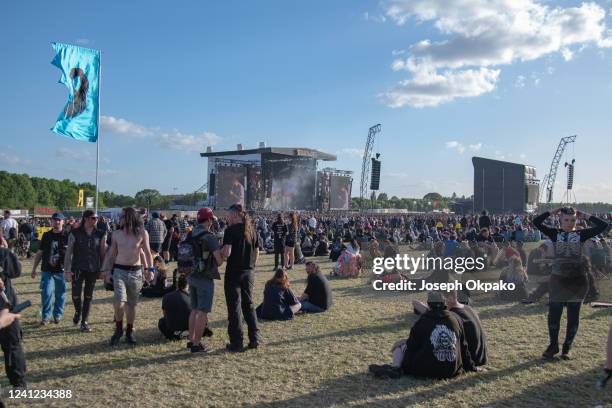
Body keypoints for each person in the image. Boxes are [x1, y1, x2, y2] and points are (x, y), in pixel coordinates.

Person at [533, 207, 608, 359]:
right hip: (558, 279)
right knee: (554, 314)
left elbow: (603, 226)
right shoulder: (555, 233)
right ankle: (553, 346)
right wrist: (552, 212)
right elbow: (536, 222)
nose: (569, 223)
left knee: (573, 315)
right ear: (560, 219)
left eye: (573, 220)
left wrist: (586, 215)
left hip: (578, 280)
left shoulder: (581, 234)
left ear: (577, 220)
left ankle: (566, 348)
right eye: (566, 219)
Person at [369, 291, 475, 379]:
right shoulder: (455, 319)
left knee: (399, 346)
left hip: (427, 370)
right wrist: (470, 366)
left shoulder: (423, 321)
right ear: (444, 303)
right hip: (452, 369)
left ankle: (396, 368)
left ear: (428, 305)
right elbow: (463, 346)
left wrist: (405, 364)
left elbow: (411, 347)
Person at [102, 208, 154, 345]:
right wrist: (106, 270)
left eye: (122, 216)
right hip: (119, 270)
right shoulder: (116, 234)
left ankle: (129, 332)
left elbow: (148, 253)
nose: (120, 218)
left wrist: (150, 269)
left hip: (136, 272)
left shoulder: (142, 233)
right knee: (119, 302)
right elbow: (111, 253)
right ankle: (118, 329)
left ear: (130, 217)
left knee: (132, 305)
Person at [222, 204, 261, 352]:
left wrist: (220, 251)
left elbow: (227, 252)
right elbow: (257, 251)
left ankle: (237, 342)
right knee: (249, 305)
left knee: (234, 308)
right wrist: (252, 265)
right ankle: (255, 338)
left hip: (234, 273)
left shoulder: (230, 231)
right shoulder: (252, 231)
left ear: (235, 215)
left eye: (228, 215)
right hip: (249, 272)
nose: (227, 217)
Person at [186, 207, 223, 353]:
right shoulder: (209, 236)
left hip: (191, 275)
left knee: (194, 309)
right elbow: (219, 261)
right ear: (209, 220)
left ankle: (191, 340)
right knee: (202, 311)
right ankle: (197, 344)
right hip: (204, 277)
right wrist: (223, 254)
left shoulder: (190, 234)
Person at [64, 210, 106, 332]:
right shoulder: (75, 233)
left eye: (96, 218)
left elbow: (102, 253)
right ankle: (78, 311)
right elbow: (69, 253)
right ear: (86, 219)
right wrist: (67, 270)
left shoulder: (100, 234)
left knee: (88, 296)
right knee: (76, 296)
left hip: (93, 269)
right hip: (77, 268)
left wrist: (103, 269)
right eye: (93, 218)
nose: (96, 220)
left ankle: (84, 321)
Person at [30, 213, 68, 325]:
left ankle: (57, 315)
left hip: (62, 270)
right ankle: (46, 316)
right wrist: (34, 269)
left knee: (60, 294)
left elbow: (72, 253)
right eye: (54, 220)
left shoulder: (67, 235)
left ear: (63, 222)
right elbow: (40, 253)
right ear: (51, 221)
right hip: (47, 269)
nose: (56, 222)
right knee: (46, 293)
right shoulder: (46, 235)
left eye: (59, 220)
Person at [0, 248, 27, 387]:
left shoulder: (2, 254)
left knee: (12, 346)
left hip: (6, 305)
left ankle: (18, 383)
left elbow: (16, 271)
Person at [158, 274, 191, 341]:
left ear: (176, 284)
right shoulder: (191, 297)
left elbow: (165, 314)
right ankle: (187, 332)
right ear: (188, 285)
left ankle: (177, 333)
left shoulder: (166, 296)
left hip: (173, 328)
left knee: (161, 322)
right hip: (189, 325)